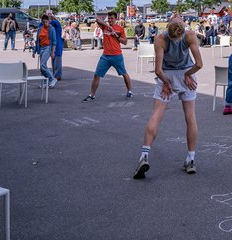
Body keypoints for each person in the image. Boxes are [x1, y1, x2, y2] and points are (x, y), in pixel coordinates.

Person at [133, 16, 203, 179]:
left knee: (156, 115)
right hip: (186, 73)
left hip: (167, 74)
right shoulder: (190, 35)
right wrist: (188, 74)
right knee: (190, 117)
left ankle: (144, 156)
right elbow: (199, 64)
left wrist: (166, 82)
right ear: (183, 25)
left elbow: (157, 70)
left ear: (168, 25)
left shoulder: (160, 38)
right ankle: (191, 159)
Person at [82, 11, 134, 101]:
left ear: (116, 19)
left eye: (112, 18)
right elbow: (97, 20)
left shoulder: (120, 29)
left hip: (117, 55)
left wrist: (116, 36)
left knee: (124, 74)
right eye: (109, 18)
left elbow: (125, 42)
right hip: (105, 56)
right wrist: (108, 26)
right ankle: (91, 95)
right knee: (96, 75)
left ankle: (129, 91)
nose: (110, 20)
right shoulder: (105, 27)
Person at [32, 14, 57, 88]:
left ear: (49, 21)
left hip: (48, 48)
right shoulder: (40, 29)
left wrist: (53, 52)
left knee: (42, 65)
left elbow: (54, 42)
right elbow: (37, 41)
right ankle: (44, 83)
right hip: (41, 48)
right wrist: (34, 51)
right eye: (43, 22)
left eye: (46, 22)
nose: (45, 24)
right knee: (42, 67)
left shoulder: (52, 29)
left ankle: (52, 79)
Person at [46, 10, 64, 80]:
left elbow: (51, 22)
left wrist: (51, 17)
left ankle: (57, 75)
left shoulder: (56, 23)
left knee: (57, 60)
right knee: (53, 60)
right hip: (52, 44)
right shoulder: (51, 25)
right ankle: (55, 74)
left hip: (58, 44)